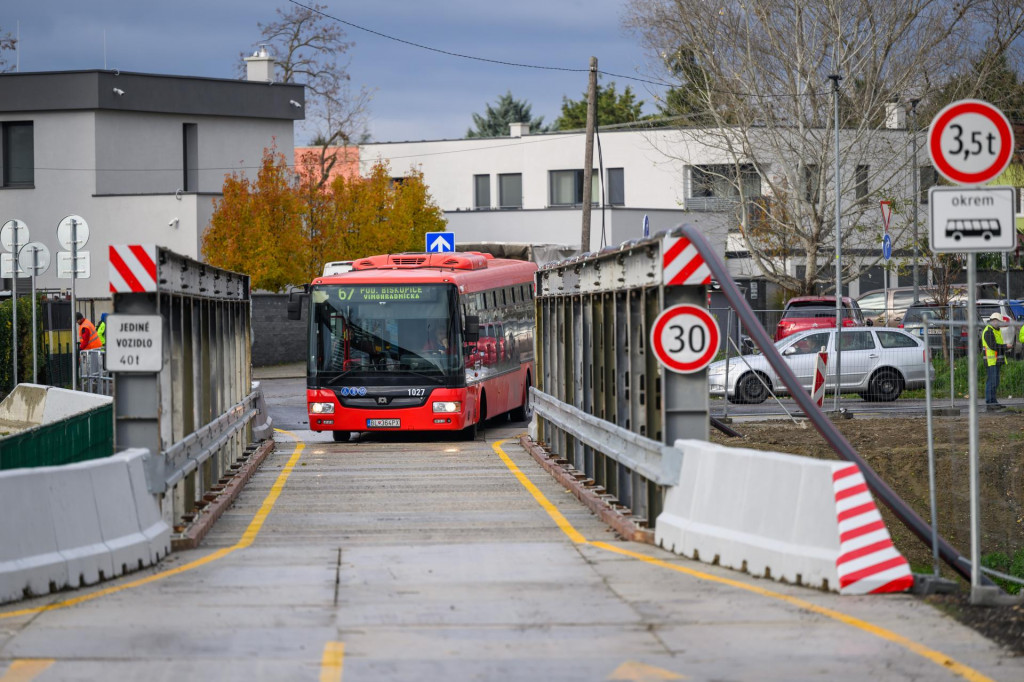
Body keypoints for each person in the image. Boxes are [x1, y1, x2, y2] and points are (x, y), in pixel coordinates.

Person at [981, 312, 1008, 410]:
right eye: (997, 321)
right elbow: (993, 346)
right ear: (994, 321)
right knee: (992, 382)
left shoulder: (995, 330)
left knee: (995, 382)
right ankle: (990, 402)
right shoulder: (989, 331)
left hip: (996, 360)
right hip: (991, 361)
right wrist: (1005, 347)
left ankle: (993, 401)